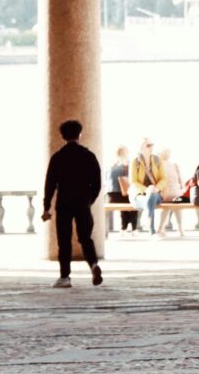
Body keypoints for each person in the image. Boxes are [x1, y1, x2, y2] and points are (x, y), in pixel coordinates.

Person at [41, 119, 102, 288]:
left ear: (62, 136)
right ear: (79, 135)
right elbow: (97, 183)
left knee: (64, 241)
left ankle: (65, 277)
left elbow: (50, 184)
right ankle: (94, 265)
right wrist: (89, 200)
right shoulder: (89, 156)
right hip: (83, 203)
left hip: (64, 204)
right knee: (85, 238)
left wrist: (46, 207)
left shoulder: (58, 157)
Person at [129, 139, 164, 235]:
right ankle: (151, 231)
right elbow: (133, 182)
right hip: (138, 196)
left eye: (152, 144)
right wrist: (146, 189)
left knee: (152, 196)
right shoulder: (135, 162)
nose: (151, 147)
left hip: (156, 193)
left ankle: (149, 225)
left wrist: (156, 188)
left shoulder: (157, 160)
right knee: (149, 198)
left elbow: (163, 179)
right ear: (141, 148)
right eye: (148, 145)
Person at [106, 146, 133, 231]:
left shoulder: (112, 165)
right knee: (133, 205)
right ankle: (132, 228)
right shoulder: (126, 164)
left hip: (110, 194)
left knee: (124, 207)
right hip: (121, 193)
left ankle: (124, 228)